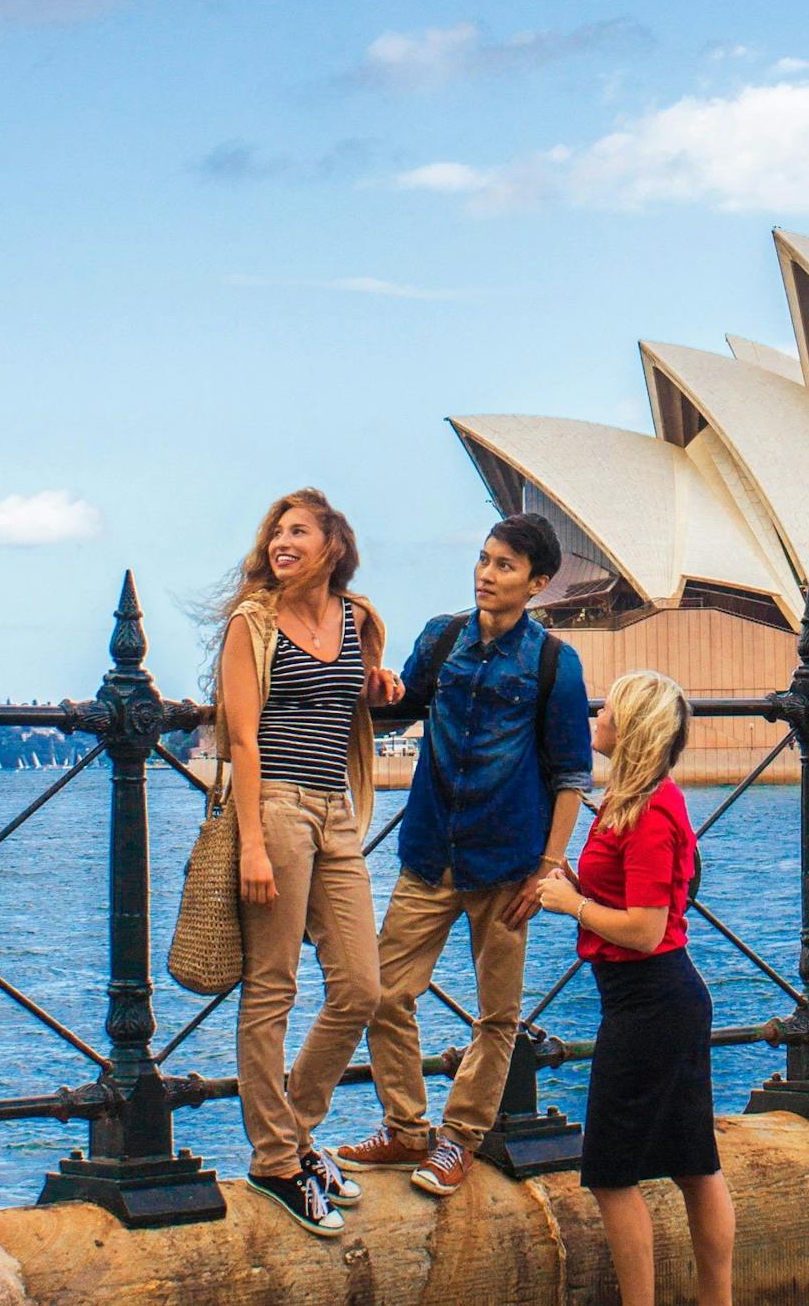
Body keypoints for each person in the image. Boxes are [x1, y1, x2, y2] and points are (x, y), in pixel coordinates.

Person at [338, 512, 593, 1196]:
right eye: (484, 559)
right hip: (428, 852)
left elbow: (572, 773)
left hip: (507, 865)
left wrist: (548, 868)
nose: (486, 573)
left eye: (505, 565)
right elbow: (401, 707)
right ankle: (404, 1129)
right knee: (383, 991)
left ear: (537, 583)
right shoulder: (442, 636)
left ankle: (459, 1140)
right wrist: (375, 685)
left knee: (496, 1012)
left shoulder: (553, 663)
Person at [211, 488, 404, 1236]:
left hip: (337, 810)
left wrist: (377, 684)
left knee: (361, 984)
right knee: (272, 989)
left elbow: (353, 692)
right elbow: (242, 738)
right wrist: (253, 841)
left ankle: (293, 1134)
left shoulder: (359, 621)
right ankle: (276, 1162)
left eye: (298, 531)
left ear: (333, 545)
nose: (281, 543)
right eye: (275, 533)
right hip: (279, 810)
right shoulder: (251, 625)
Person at [538, 670, 735, 1306]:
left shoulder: (648, 812)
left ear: (632, 730)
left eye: (610, 710)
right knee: (693, 1165)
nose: (598, 715)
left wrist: (572, 904)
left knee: (611, 1172)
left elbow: (646, 931)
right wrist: (584, 886)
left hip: (648, 999)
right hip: (661, 998)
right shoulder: (644, 798)